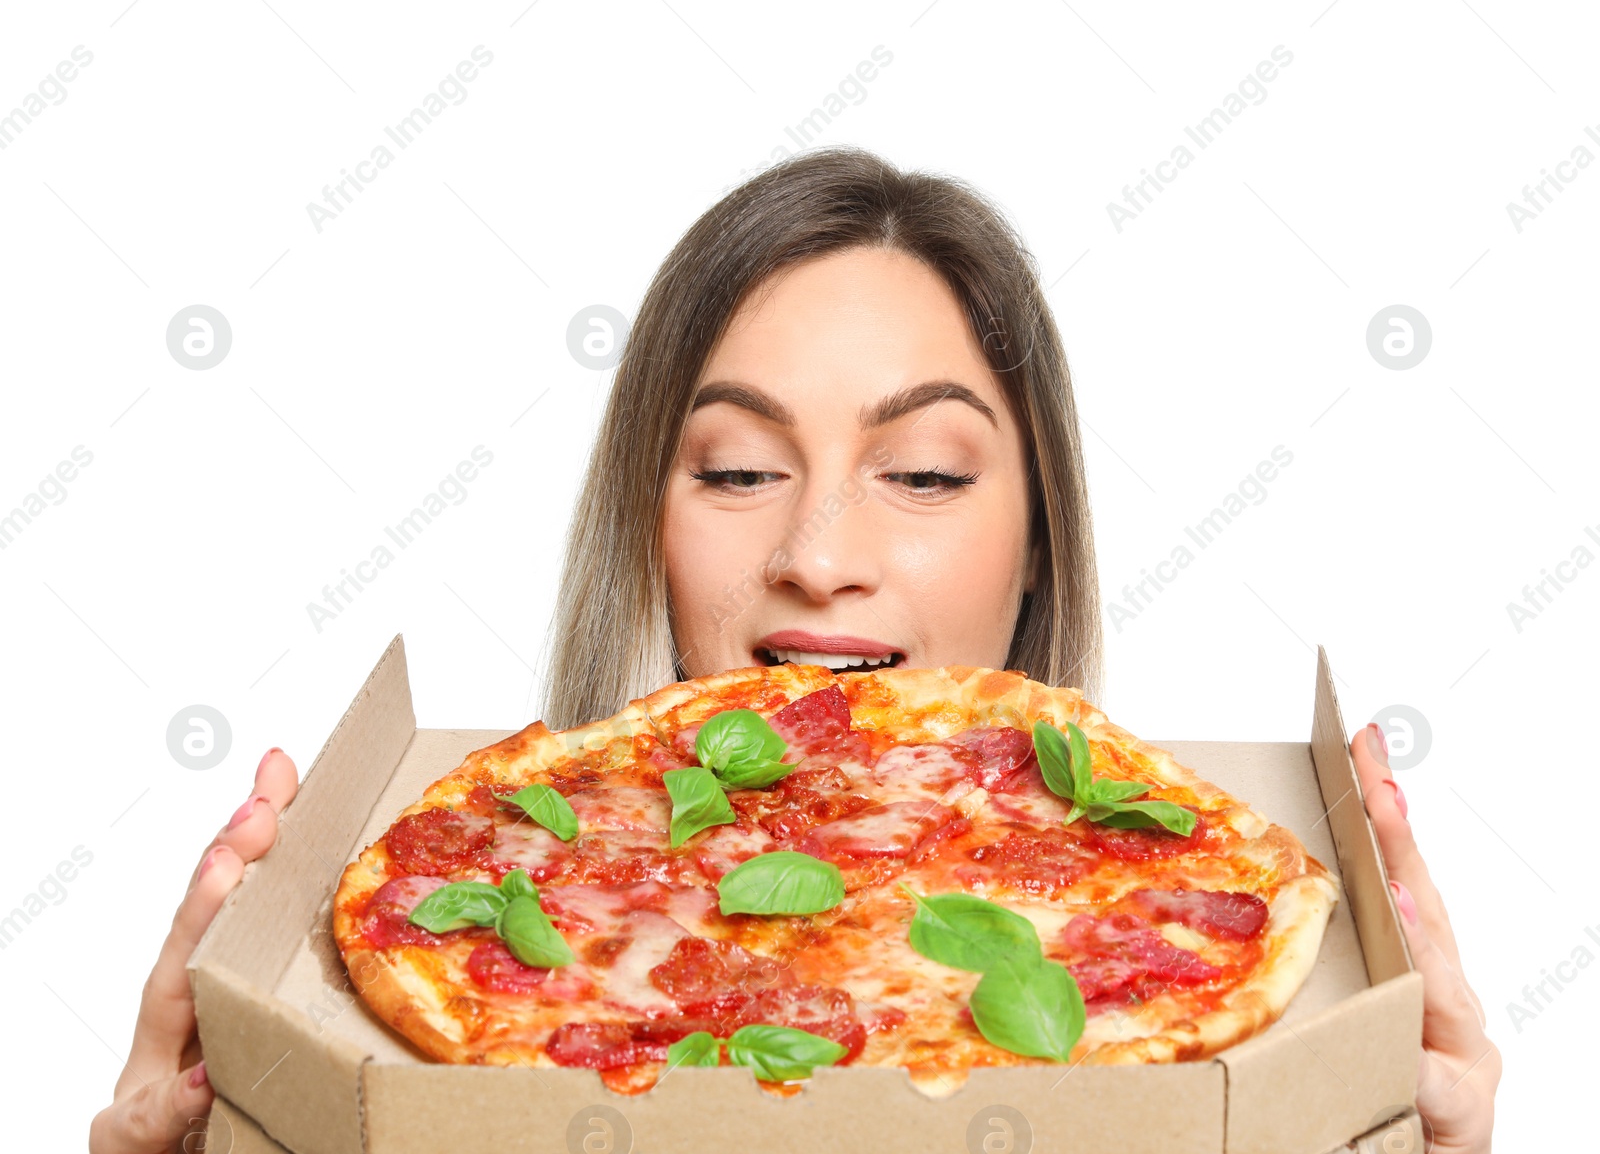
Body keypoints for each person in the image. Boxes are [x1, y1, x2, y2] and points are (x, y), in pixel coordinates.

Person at [91, 148, 1499, 1152]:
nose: (819, 552)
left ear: (1043, 540)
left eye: (928, 475)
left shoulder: (1180, 909)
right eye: (741, 470)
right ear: (647, 519)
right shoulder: (487, 898)